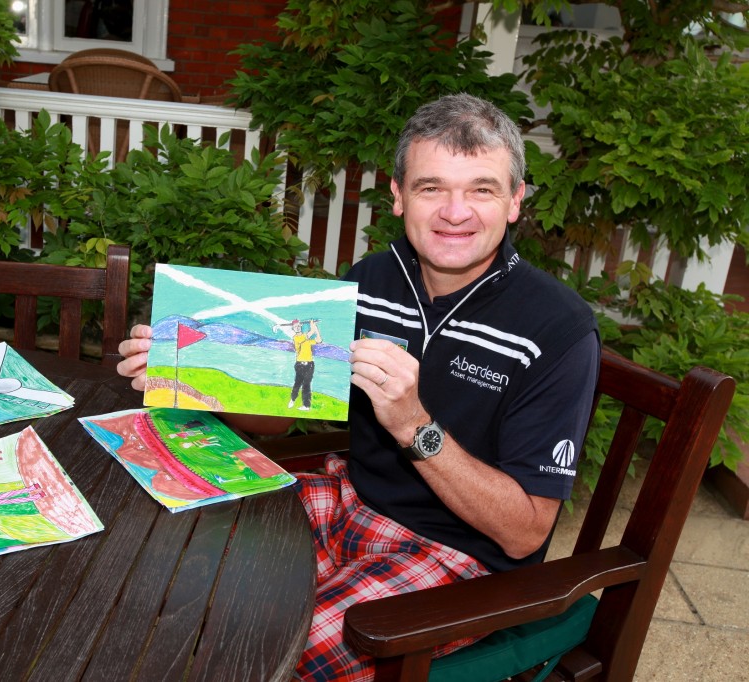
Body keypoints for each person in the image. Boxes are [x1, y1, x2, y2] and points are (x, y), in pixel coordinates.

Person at [117, 93, 600, 681]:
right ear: (397, 196)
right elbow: (292, 411)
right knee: (164, 554)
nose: (456, 212)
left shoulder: (558, 328)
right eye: (431, 188)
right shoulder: (372, 280)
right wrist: (188, 377)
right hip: (349, 499)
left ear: (516, 201)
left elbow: (524, 533)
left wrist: (413, 426)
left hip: (459, 556)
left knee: (265, 650)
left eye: (481, 189)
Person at [288, 318, 322, 411]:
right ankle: (293, 399)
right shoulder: (296, 338)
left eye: (299, 326)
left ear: (301, 326)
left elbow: (319, 340)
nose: (298, 328)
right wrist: (312, 327)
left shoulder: (306, 337)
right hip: (300, 365)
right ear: (293, 329)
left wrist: (315, 327)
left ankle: (306, 406)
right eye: (295, 327)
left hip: (310, 365)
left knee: (307, 385)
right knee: (297, 384)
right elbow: (308, 335)